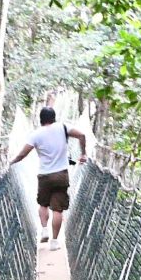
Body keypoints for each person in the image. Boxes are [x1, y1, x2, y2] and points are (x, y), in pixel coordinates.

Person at [10, 107, 87, 251]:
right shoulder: (63, 127)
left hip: (44, 176)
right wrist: (83, 154)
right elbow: (82, 135)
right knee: (58, 210)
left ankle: (44, 230)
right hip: (61, 175)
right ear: (54, 118)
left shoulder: (35, 134)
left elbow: (22, 154)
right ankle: (54, 241)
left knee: (43, 204)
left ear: (41, 119)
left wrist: (11, 162)